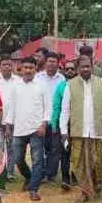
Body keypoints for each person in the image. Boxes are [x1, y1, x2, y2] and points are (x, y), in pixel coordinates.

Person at [60, 55, 102, 203]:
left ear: (92, 67)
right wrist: (64, 131)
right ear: (77, 69)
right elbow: (65, 111)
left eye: (88, 66)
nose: (85, 69)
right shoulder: (70, 85)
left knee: (97, 161)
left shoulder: (101, 83)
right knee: (79, 163)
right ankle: (84, 191)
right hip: (78, 131)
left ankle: (96, 186)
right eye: (82, 66)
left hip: (97, 130)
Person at [5, 56, 49, 201]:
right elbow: (11, 108)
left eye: (31, 68)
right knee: (18, 158)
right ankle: (29, 177)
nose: (28, 70)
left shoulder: (41, 86)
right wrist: (8, 127)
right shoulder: (15, 87)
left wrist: (43, 124)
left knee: (37, 160)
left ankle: (33, 188)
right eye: (26, 68)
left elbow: (48, 107)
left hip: (37, 129)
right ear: (21, 69)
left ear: (35, 69)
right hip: (19, 128)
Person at [36, 52, 66, 183]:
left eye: (54, 61)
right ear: (45, 62)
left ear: (58, 64)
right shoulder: (37, 78)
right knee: (40, 148)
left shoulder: (62, 79)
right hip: (40, 118)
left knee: (54, 148)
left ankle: (50, 173)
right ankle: (40, 172)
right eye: (49, 61)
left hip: (55, 119)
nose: (52, 64)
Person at [0, 55, 22, 180]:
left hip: (14, 120)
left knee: (12, 147)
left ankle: (9, 172)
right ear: (0, 66)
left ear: (13, 66)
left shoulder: (18, 81)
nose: (7, 67)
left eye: (9, 65)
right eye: (4, 64)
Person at [50, 59, 76, 191]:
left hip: (78, 125)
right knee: (64, 153)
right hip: (64, 124)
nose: (70, 71)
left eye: (72, 68)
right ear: (64, 71)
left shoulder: (80, 85)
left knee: (77, 152)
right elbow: (56, 107)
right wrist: (54, 124)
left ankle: (77, 176)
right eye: (67, 69)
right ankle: (66, 179)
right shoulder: (61, 87)